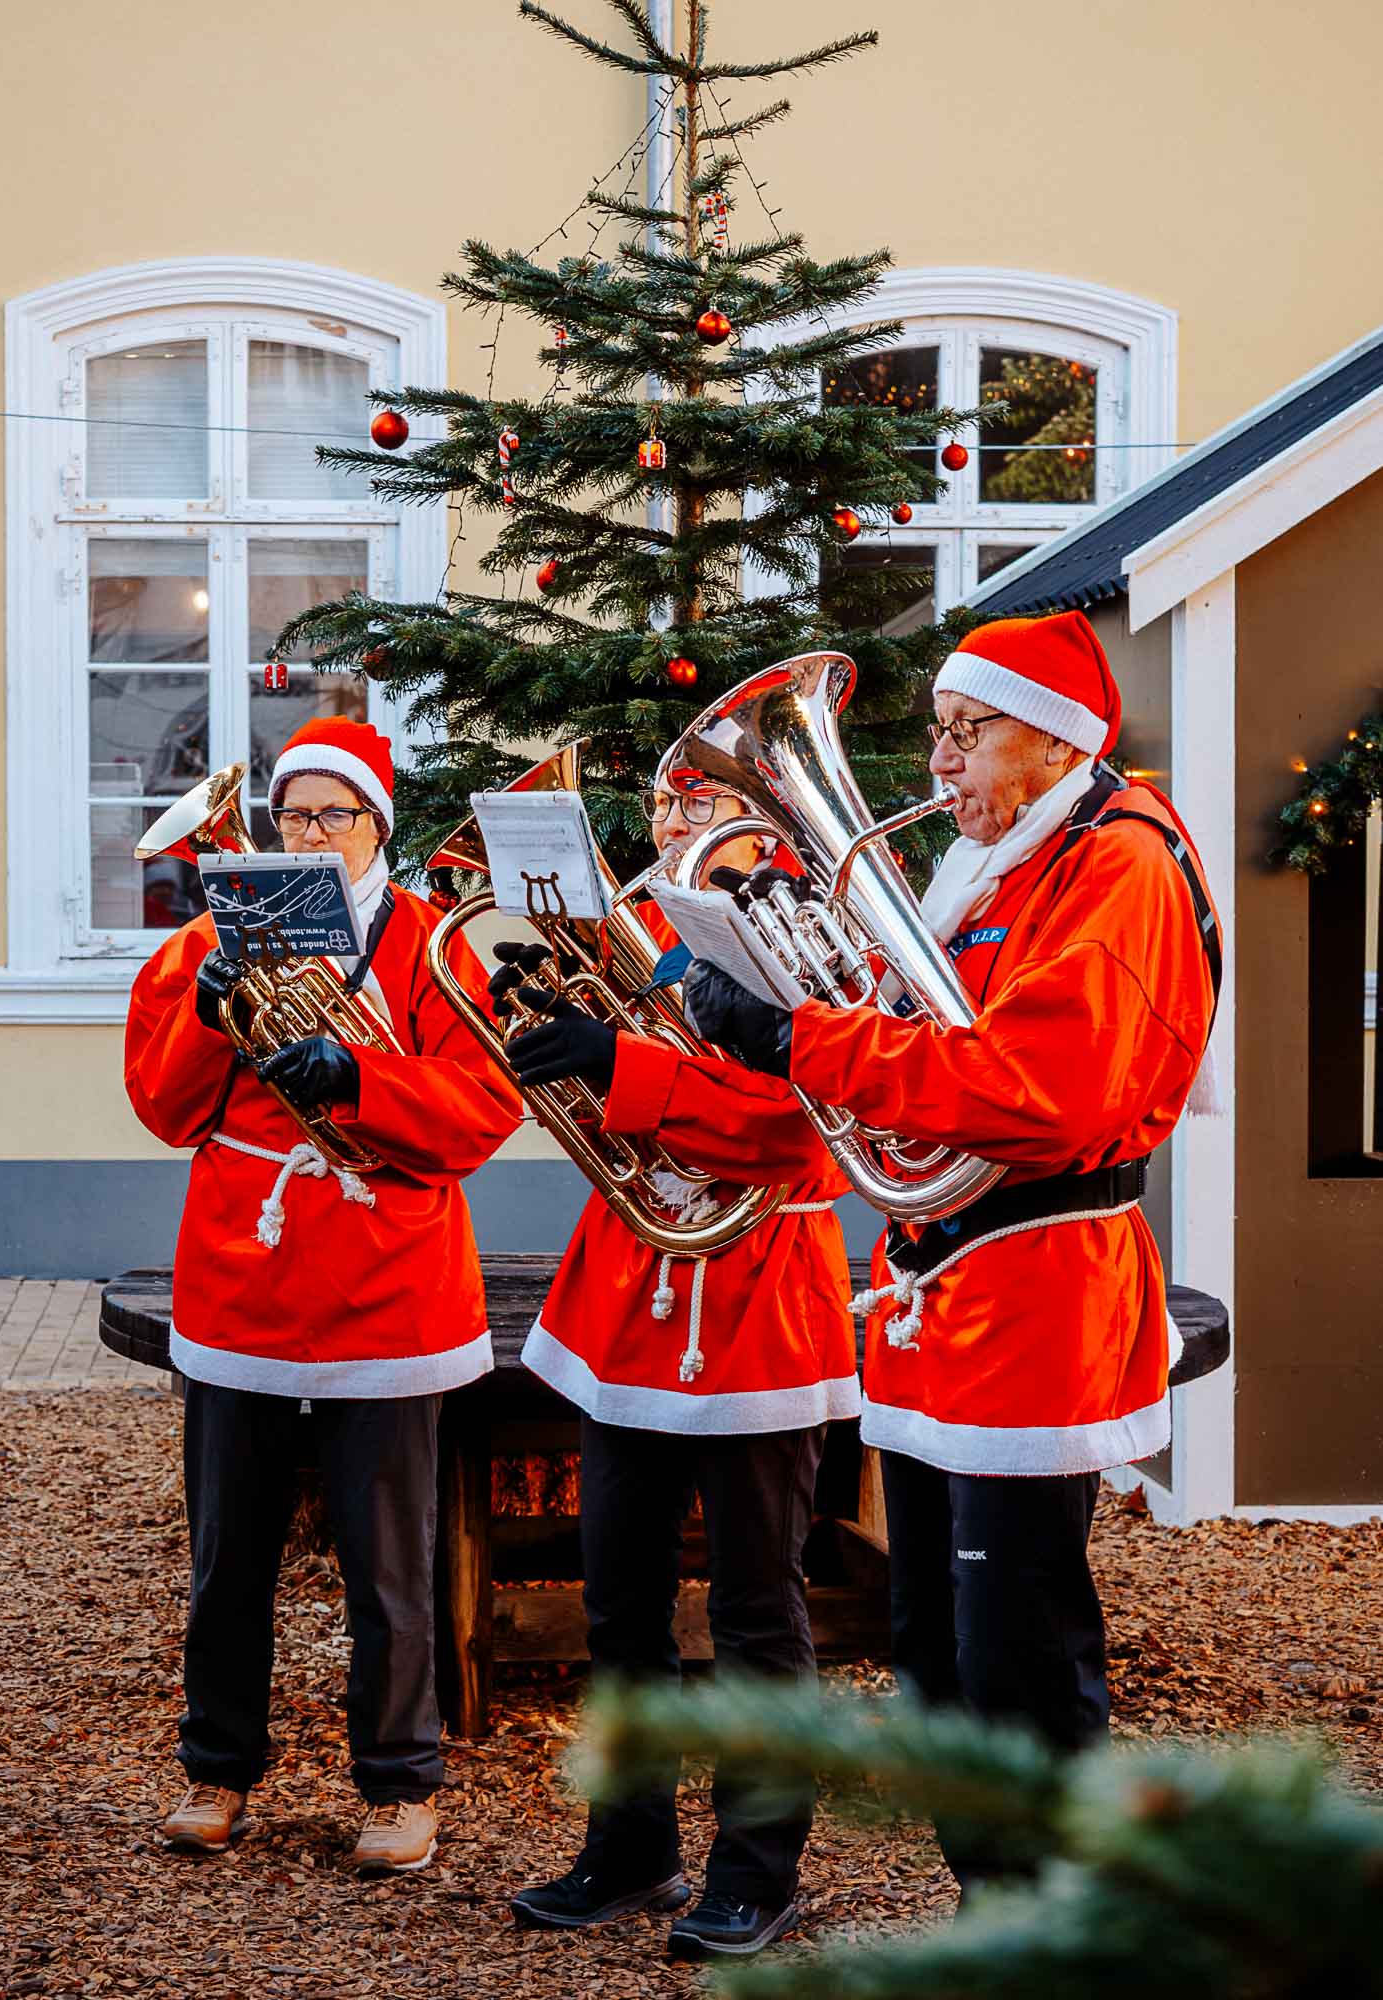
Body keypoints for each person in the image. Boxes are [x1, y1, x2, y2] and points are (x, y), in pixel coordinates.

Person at [681, 612, 1221, 1894]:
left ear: (1056, 739)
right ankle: (996, 1900)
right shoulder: (1003, 866)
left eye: (968, 732)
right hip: (945, 1294)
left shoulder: (1118, 867)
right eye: (937, 731)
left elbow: (1041, 1089)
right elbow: (914, 1043)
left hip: (1037, 1294)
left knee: (1017, 1655)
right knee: (932, 1639)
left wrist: (801, 1039)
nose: (940, 762)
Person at [124, 717, 520, 1873]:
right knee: (226, 1553)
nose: (307, 831)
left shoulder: (429, 944)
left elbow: (482, 1110)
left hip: (387, 1280)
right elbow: (160, 1105)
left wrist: (364, 1075)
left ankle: (400, 1783)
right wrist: (205, 1015)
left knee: (389, 1561)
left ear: (375, 828)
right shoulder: (212, 937)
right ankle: (217, 1765)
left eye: (332, 814)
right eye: (291, 811)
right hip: (243, 1276)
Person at [499, 778, 861, 1961]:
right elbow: (629, 1118)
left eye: (703, 797)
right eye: (666, 801)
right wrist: (572, 1051)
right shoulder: (642, 930)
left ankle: (760, 1869)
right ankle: (632, 1844)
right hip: (633, 1293)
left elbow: (798, 1128)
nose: (674, 821)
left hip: (756, 1293)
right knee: (620, 1602)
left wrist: (629, 1068)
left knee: (760, 1609)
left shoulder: (812, 930)